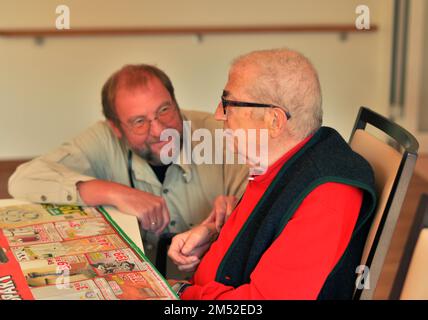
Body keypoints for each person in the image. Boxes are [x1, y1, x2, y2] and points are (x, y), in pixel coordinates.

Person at [168, 48, 377, 299]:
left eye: (228, 104)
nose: (217, 114)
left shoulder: (326, 196)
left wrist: (180, 292)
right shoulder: (280, 162)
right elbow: (265, 228)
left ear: (274, 121)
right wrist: (214, 235)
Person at [8, 64, 248, 267]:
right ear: (116, 128)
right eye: (139, 122)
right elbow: (24, 179)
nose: (159, 130)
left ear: (175, 102)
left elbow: (265, 201)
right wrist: (114, 192)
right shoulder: (104, 138)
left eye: (164, 110)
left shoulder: (221, 135)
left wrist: (236, 210)